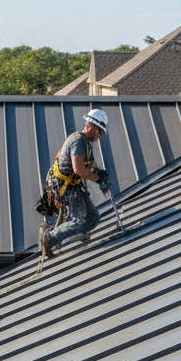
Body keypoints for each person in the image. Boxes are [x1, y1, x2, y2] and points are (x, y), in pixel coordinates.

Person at [37, 109, 111, 258]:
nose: (100, 135)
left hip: (73, 186)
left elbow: (88, 164)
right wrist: (97, 180)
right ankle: (49, 238)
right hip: (63, 187)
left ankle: (74, 235)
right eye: (99, 131)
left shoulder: (85, 143)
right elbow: (78, 169)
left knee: (93, 218)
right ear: (90, 126)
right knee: (80, 219)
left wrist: (99, 172)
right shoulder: (78, 141)